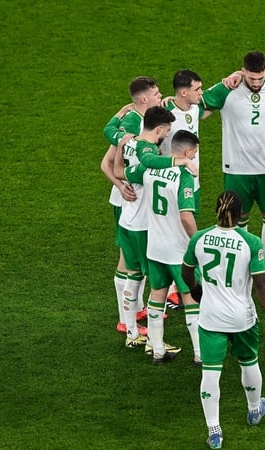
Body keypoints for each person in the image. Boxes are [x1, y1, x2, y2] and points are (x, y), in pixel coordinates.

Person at [182, 191, 265, 449]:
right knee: (248, 362)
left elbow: (186, 271)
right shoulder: (251, 242)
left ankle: (214, 430)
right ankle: (254, 410)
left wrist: (195, 290)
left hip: (211, 317)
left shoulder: (199, 239)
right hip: (242, 318)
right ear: (240, 214)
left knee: (210, 373)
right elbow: (261, 284)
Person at [202, 51, 265, 294]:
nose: (256, 84)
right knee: (238, 219)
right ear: (243, 71)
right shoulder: (227, 89)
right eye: (251, 79)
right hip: (237, 168)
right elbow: (199, 107)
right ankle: (244, 271)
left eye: (260, 78)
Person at [114, 129, 202, 364]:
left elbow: (120, 172)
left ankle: (158, 352)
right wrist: (196, 243)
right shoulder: (184, 174)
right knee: (189, 296)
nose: (193, 159)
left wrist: (121, 151)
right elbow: (186, 216)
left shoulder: (148, 169)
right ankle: (199, 354)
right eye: (193, 154)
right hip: (177, 250)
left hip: (155, 247)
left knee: (157, 295)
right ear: (186, 151)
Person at [101, 76, 162, 335]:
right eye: (157, 94)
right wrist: (119, 184)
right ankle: (125, 319)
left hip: (136, 200)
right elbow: (107, 162)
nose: (161, 96)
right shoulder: (131, 124)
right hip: (126, 202)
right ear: (145, 98)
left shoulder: (143, 118)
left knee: (135, 259)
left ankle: (135, 309)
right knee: (128, 260)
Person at [111, 105, 175, 348]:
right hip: (144, 225)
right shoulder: (148, 153)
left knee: (133, 276)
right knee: (157, 282)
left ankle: (131, 333)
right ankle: (154, 342)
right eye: (166, 131)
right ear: (158, 128)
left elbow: (117, 170)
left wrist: (119, 148)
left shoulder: (129, 143)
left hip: (126, 219)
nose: (167, 135)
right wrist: (179, 160)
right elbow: (150, 163)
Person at [160, 69, 213, 308]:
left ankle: (179, 288)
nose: (200, 93)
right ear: (183, 92)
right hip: (173, 184)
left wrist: (235, 78)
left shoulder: (194, 108)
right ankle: (180, 290)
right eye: (197, 89)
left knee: (183, 234)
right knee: (178, 235)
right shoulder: (165, 114)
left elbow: (216, 99)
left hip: (194, 182)